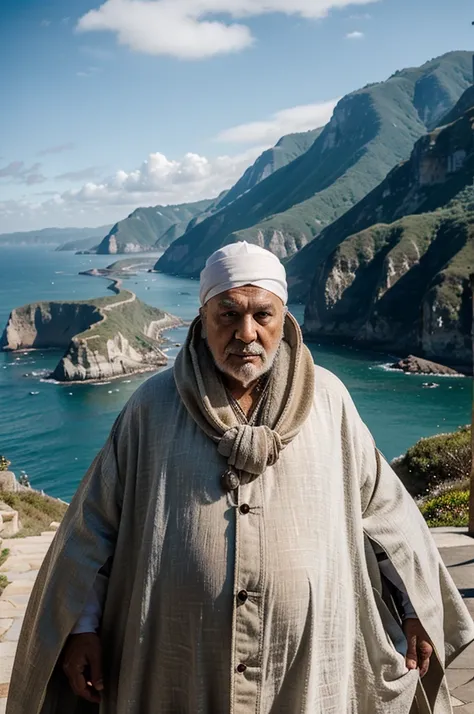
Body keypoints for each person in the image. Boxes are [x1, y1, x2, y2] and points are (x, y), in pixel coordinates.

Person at [7, 242, 474, 714]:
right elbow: (94, 529)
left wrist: (417, 612)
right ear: (203, 317)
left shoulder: (328, 401)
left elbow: (386, 513)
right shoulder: (151, 408)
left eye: (261, 315)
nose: (245, 333)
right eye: (227, 315)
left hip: (308, 664)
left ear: (284, 319)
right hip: (177, 665)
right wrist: (82, 628)